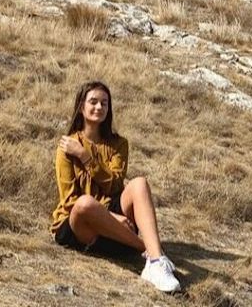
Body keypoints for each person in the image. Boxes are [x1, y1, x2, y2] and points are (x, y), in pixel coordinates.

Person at [51, 80, 181, 293]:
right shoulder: (67, 146)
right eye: (93, 102)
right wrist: (112, 218)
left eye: (104, 103)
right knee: (84, 204)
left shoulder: (119, 144)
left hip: (115, 221)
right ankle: (149, 250)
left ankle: (156, 264)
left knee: (139, 183)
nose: (99, 107)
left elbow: (114, 185)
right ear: (81, 107)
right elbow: (69, 200)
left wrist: (85, 157)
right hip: (80, 224)